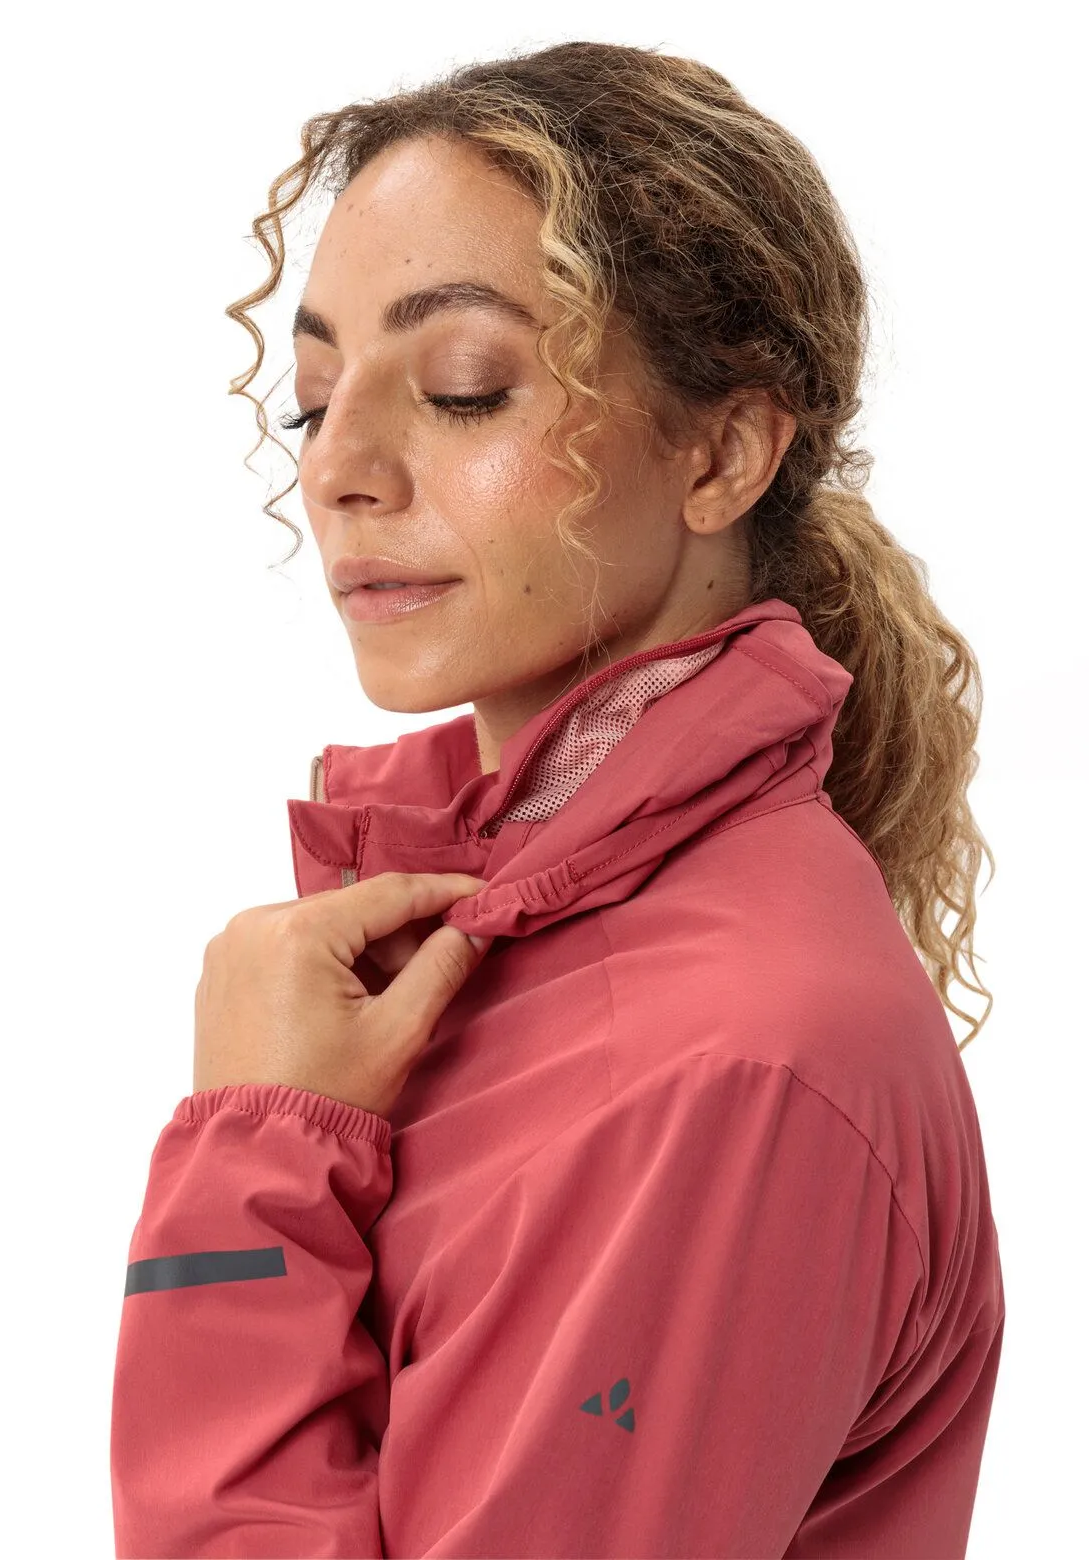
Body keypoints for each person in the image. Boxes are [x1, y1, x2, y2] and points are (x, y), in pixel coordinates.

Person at [110, 40, 1005, 1559]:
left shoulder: (733, 1064)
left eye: (462, 390)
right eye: (313, 402)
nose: (339, 467)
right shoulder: (503, 939)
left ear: (722, 452)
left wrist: (252, 1157)